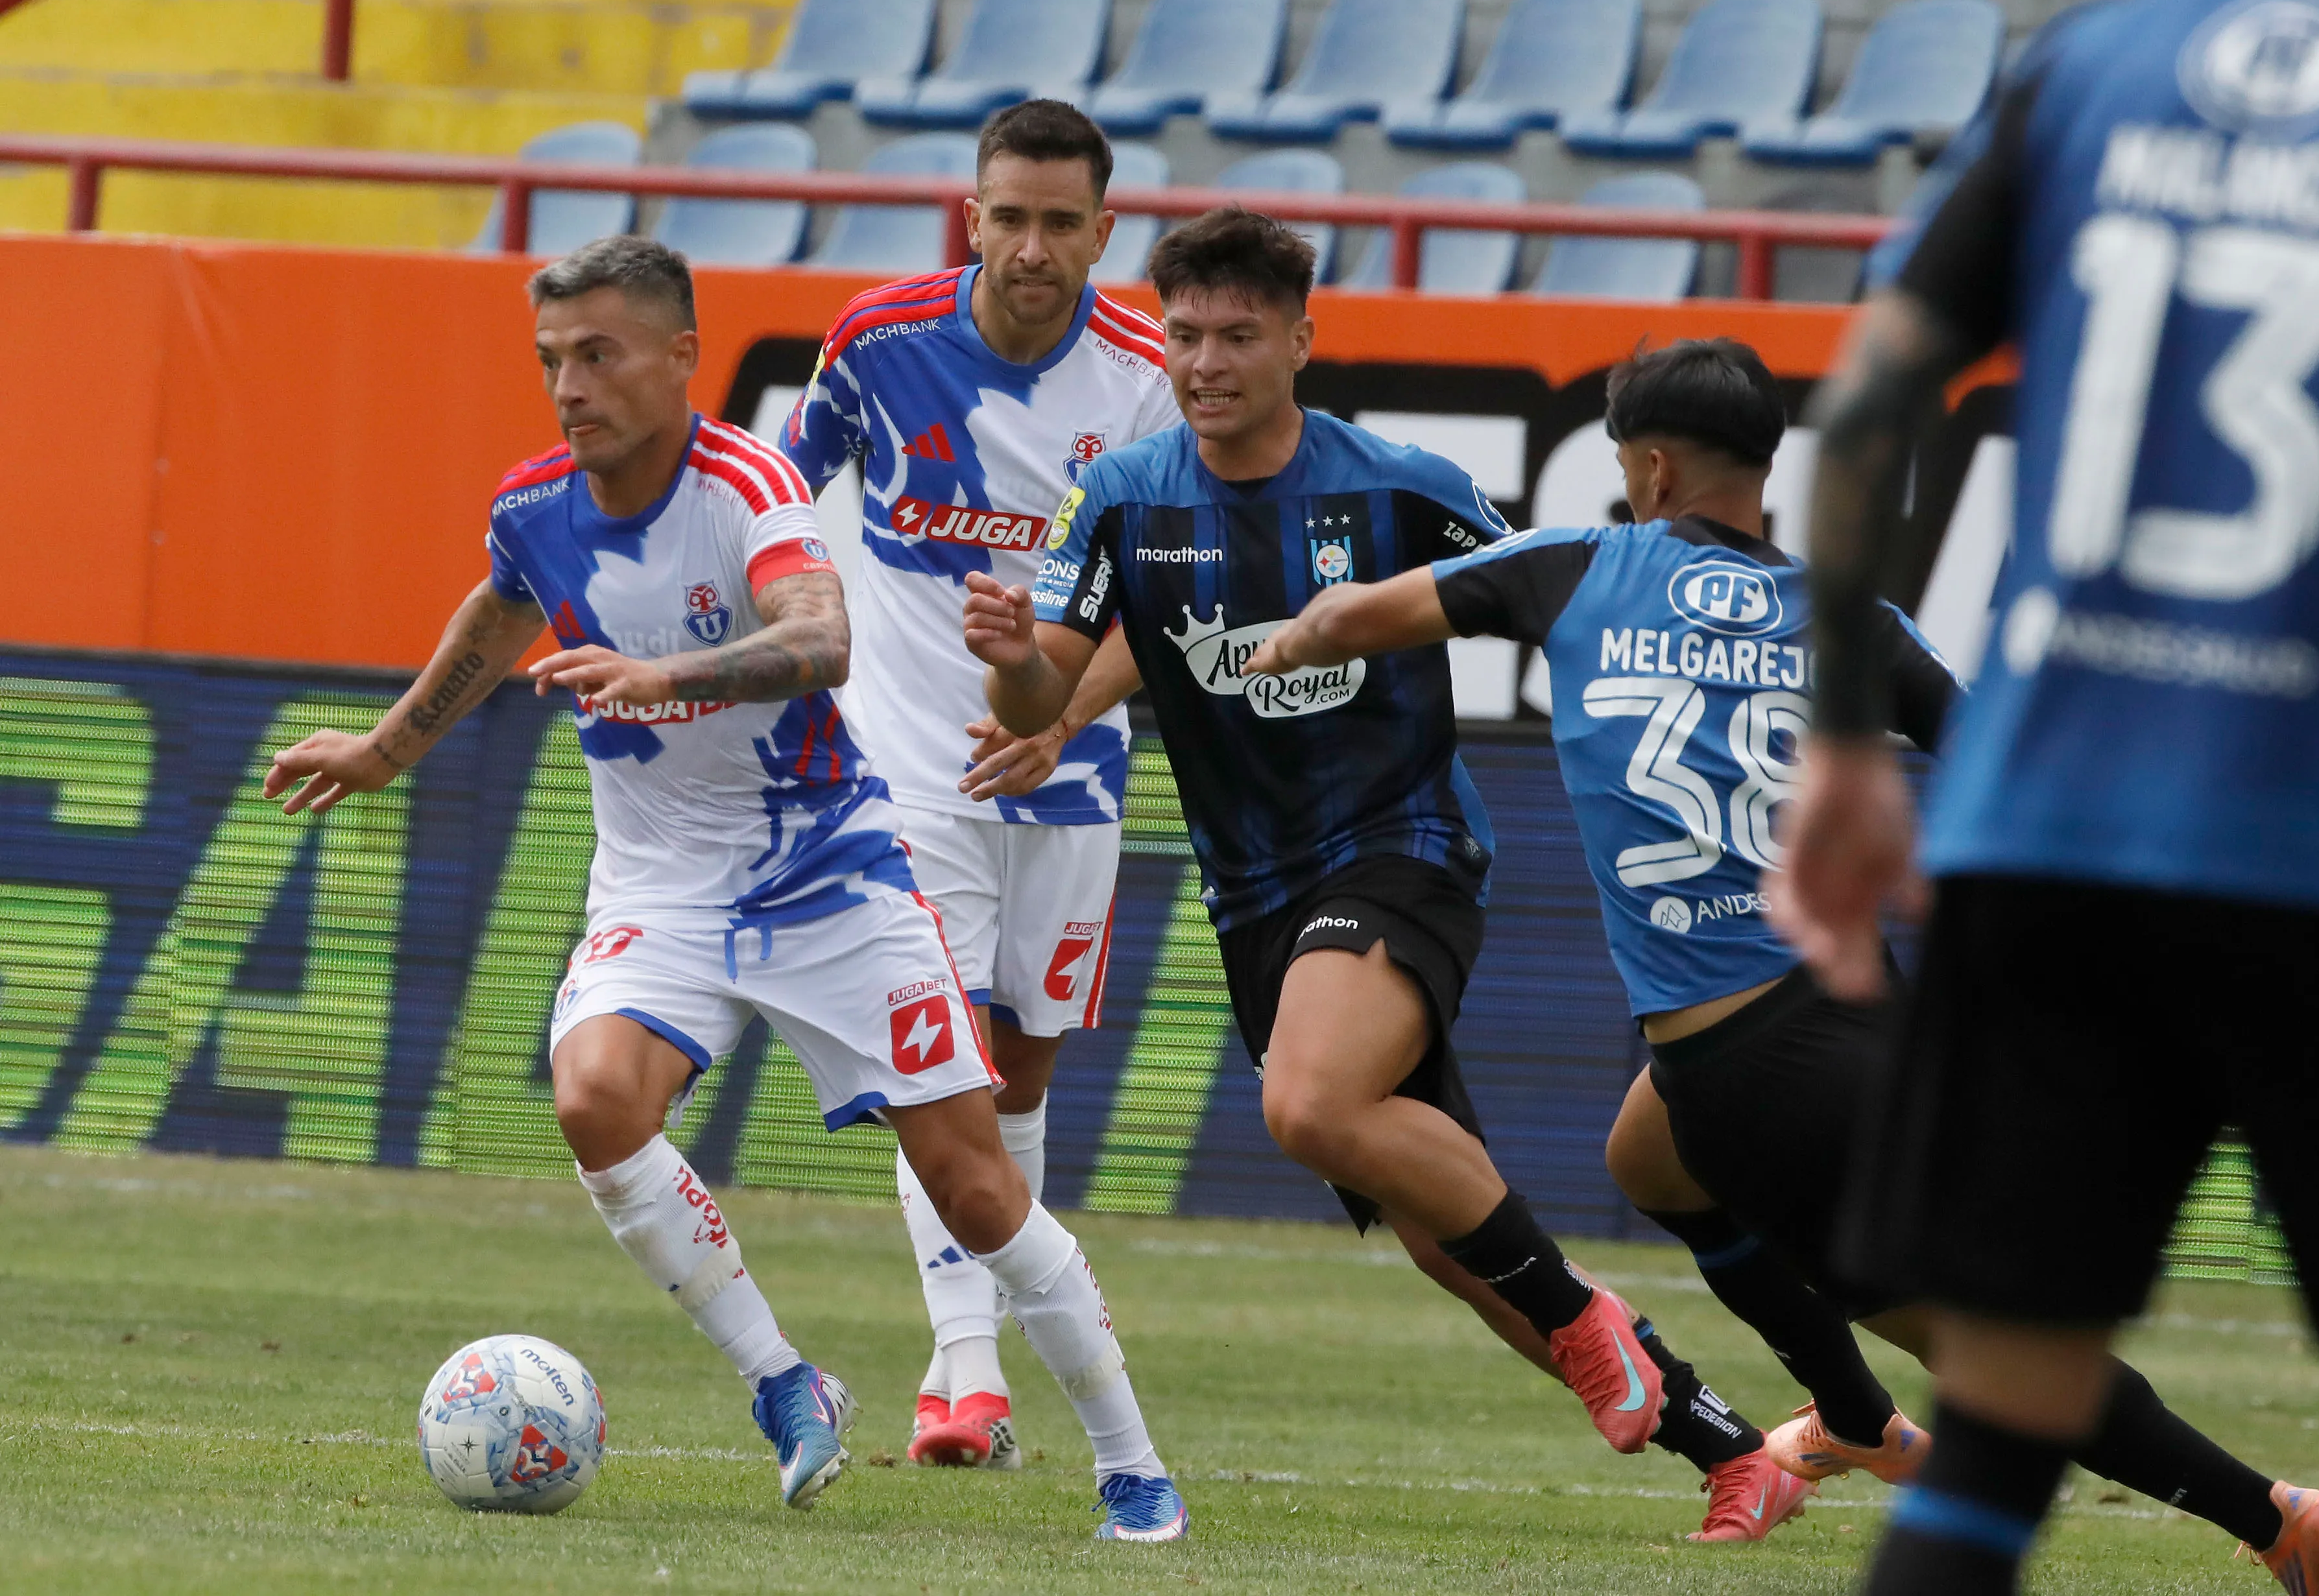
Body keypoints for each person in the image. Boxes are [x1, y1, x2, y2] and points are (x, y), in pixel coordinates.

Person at [1248, 335, 2319, 1585]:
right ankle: (1850, 1416)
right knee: (1646, 1160)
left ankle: (2271, 1514)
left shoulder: (1580, 567)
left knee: (1989, 1351)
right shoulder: (1854, 620)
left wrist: (1282, 647)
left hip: (1755, 1075)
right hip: (1843, 1007)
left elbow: (1354, 615)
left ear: (1652, 468)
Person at [1770, 0, 2319, 1588]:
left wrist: (1840, 744)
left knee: (2008, 1408)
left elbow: (1876, 394)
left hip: (2039, 831)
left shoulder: (2099, 58)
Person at [261, 235, 1188, 1542]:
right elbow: (497, 610)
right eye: (550, 363)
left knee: (976, 1187)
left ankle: (1133, 1466)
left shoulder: (748, 483)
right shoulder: (534, 503)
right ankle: (784, 1382)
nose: (570, 388)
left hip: (831, 872)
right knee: (593, 1098)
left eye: (599, 356)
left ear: (681, 356)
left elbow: (822, 638)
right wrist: (385, 747)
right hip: (664, 884)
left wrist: (672, 678)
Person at [961, 206, 1810, 1538]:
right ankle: (1732, 1450)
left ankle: (1599, 1328)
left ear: (1302, 339)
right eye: (1184, 335)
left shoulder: (1402, 485)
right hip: (1253, 898)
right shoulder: (1122, 496)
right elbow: (1033, 702)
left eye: (1240, 335)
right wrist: (1018, 659)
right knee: (1450, 1238)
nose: (1206, 363)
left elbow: (1560, 597)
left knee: (1310, 1102)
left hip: (1399, 850)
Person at [781, 98, 1175, 1471]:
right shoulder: (878, 344)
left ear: (1104, 233)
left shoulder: (1144, 381)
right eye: (1008, 216)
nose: (1031, 246)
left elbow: (1177, 602)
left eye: (1062, 223)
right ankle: (964, 1375)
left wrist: (1066, 718)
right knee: (934, 1060)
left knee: (1018, 1075)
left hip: (1070, 783)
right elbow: (777, 495)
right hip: (905, 777)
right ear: (972, 215)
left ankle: (987, 1366)